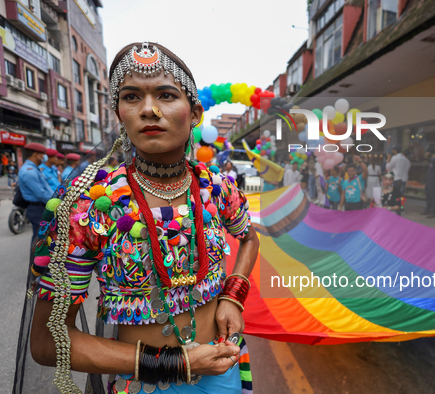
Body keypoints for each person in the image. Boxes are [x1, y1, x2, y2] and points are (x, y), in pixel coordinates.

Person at [20, 41, 258, 394]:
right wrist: (175, 364)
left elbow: (250, 237)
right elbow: (46, 341)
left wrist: (232, 296)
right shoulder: (89, 206)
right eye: (131, 97)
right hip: (145, 385)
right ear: (119, 113)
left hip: (224, 370)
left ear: (194, 113)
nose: (148, 109)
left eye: (166, 94)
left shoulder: (216, 186)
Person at [18, 143, 54, 240]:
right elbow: (41, 193)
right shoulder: (29, 171)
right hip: (37, 208)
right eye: (42, 154)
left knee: (44, 238)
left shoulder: (34, 169)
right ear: (36, 154)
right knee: (39, 240)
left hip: (41, 206)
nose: (43, 157)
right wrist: (55, 203)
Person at [422, 146, 435, 218]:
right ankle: (428, 209)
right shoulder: (431, 160)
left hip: (433, 181)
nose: (426, 153)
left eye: (427, 152)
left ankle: (434, 212)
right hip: (429, 180)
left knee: (433, 196)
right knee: (428, 195)